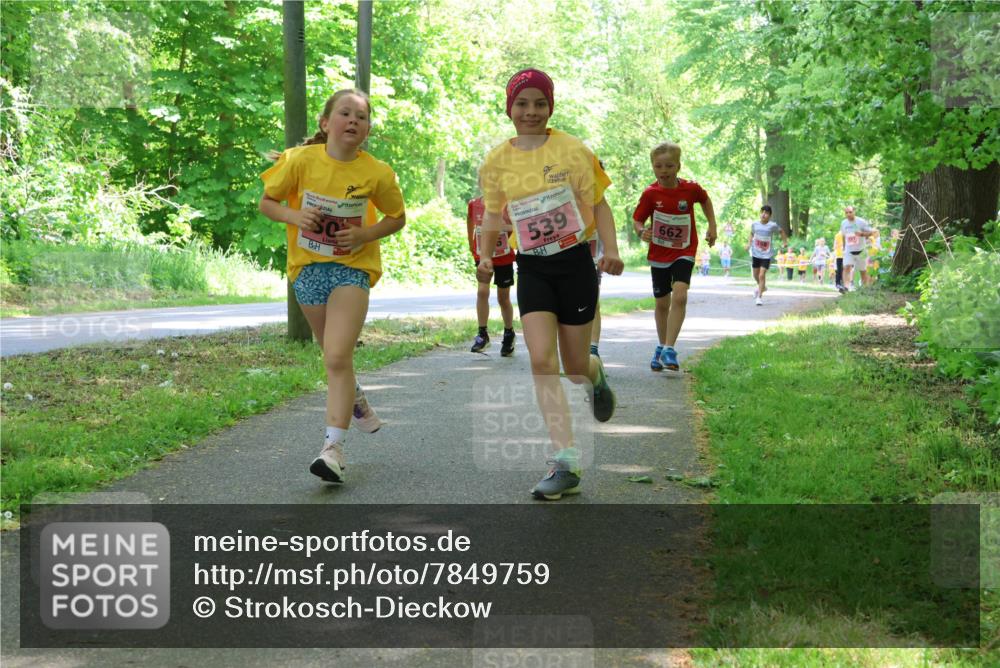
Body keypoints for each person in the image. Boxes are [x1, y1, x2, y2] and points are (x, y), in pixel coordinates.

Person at [478, 68, 624, 501]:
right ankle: (566, 460)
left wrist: (610, 250)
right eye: (522, 104)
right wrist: (487, 255)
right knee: (541, 359)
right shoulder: (496, 160)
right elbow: (491, 214)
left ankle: (596, 378)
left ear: (551, 107)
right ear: (509, 108)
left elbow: (599, 203)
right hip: (533, 266)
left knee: (575, 366)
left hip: (575, 263)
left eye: (540, 103)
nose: (531, 112)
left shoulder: (574, 150)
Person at [259, 88, 406, 485]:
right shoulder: (300, 161)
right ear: (326, 123)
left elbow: (396, 217)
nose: (354, 121)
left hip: (352, 271)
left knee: (337, 356)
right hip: (307, 271)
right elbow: (267, 203)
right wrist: (295, 214)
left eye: (362, 117)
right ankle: (354, 396)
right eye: (345, 113)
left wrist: (364, 234)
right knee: (333, 357)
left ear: (367, 130)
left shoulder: (377, 172)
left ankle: (332, 450)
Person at [633, 141, 717, 371]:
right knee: (662, 303)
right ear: (653, 167)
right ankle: (661, 346)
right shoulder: (651, 194)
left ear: (678, 166)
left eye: (669, 166)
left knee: (680, 295)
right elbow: (638, 219)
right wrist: (642, 231)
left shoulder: (690, 189)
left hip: (684, 249)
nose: (664, 171)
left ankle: (670, 348)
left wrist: (712, 226)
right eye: (658, 166)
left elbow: (705, 200)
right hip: (659, 252)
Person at [467, 192, 516, 355]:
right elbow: (470, 222)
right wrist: (471, 244)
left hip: (504, 257)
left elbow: (517, 228)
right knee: (482, 292)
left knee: (503, 297)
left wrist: (504, 227)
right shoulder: (474, 204)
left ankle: (509, 333)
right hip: (483, 256)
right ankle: (482, 333)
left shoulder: (508, 204)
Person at [747, 205, 787, 305]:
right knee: (755, 275)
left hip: (766, 255)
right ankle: (762, 287)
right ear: (760, 213)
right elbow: (751, 233)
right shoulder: (755, 224)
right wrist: (748, 243)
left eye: (766, 213)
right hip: (756, 253)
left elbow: (781, 231)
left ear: (770, 215)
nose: (764, 214)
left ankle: (759, 297)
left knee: (761, 275)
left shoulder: (772, 225)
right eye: (762, 212)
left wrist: (785, 241)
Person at [840, 205, 876, 292]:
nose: (848, 214)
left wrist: (862, 234)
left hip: (861, 251)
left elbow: (872, 233)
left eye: (850, 212)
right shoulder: (843, 223)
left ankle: (864, 289)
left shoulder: (861, 222)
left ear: (854, 212)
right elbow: (843, 236)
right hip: (849, 250)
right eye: (846, 213)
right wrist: (844, 248)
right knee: (846, 267)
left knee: (863, 271)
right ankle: (846, 287)